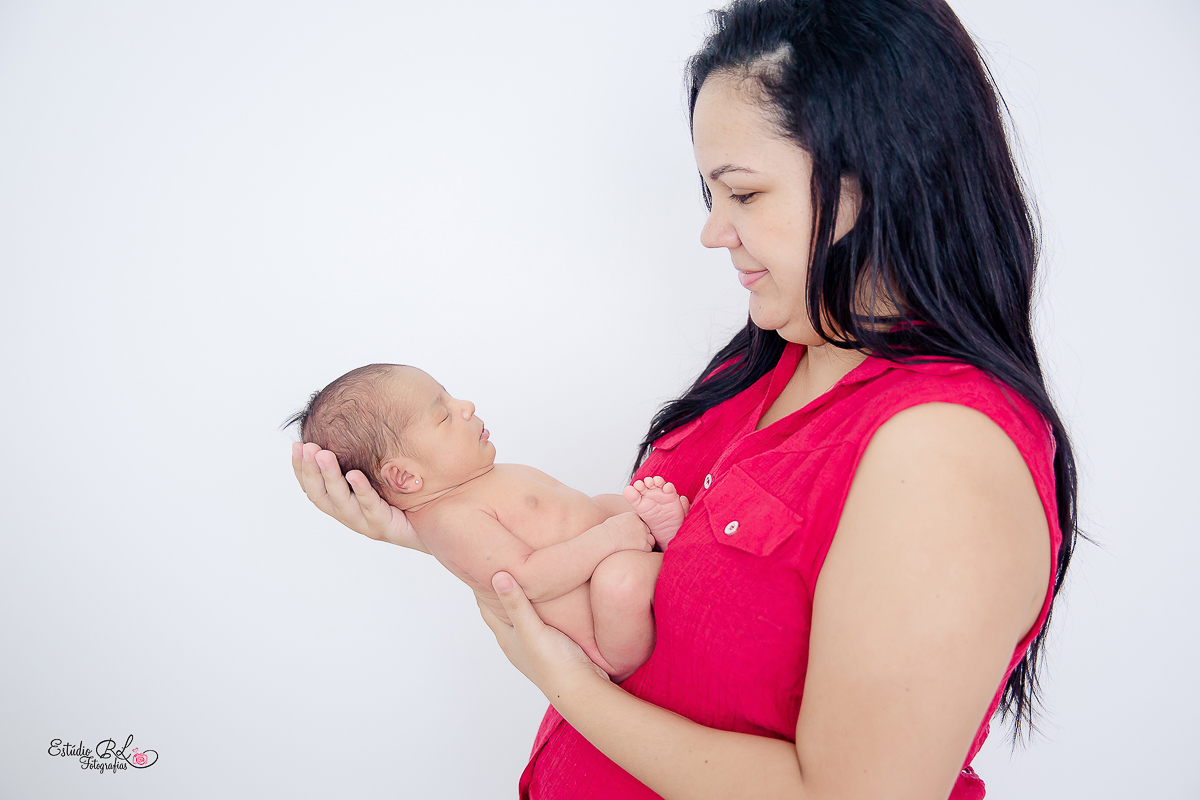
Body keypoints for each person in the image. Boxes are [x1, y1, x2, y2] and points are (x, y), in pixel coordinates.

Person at [292, 0, 1079, 796]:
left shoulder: (943, 452)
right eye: (710, 194)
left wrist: (562, 681)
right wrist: (437, 523)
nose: (713, 232)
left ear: (865, 182)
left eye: (742, 194)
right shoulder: (765, 359)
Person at [288, 363, 689, 681]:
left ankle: (658, 537)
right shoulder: (450, 521)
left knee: (607, 503)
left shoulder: (476, 479)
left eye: (450, 395)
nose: (466, 407)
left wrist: (612, 520)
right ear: (405, 477)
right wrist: (612, 537)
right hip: (609, 633)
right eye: (443, 415)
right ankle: (665, 549)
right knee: (619, 579)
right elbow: (526, 577)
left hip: (611, 556)